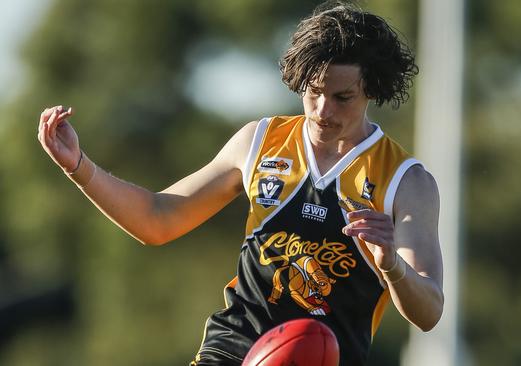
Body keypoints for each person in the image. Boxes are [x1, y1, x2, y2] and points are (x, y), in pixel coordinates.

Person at [37, 2, 443, 365]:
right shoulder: (260, 142)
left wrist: (391, 264)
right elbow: (157, 219)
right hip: (232, 350)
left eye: (342, 97)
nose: (322, 110)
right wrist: (80, 167)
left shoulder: (405, 181)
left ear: (371, 89)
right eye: (314, 92)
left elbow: (429, 311)